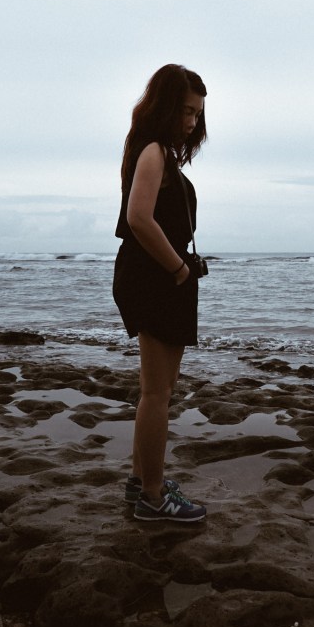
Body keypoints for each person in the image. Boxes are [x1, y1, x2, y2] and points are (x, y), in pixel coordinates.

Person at [113, 64, 208, 522]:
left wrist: (180, 271)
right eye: (186, 111)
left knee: (158, 391)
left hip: (160, 275)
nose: (192, 121)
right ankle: (153, 497)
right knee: (156, 393)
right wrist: (178, 269)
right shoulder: (152, 151)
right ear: (165, 106)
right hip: (155, 276)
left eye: (197, 114)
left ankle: (141, 481)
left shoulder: (156, 152)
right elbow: (138, 218)